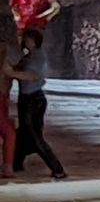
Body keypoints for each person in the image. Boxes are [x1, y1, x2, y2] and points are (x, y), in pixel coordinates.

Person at [12, 30, 63, 180]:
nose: (26, 42)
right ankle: (16, 164)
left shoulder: (38, 57)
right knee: (22, 133)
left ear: (35, 41)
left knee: (34, 136)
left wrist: (10, 73)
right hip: (26, 99)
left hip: (33, 100)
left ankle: (57, 168)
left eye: (28, 39)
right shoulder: (28, 56)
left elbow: (32, 75)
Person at [0, 46, 37, 179]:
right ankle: (8, 168)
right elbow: (12, 73)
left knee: (9, 133)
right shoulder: (5, 66)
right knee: (9, 133)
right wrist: (32, 75)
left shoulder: (6, 64)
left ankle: (8, 167)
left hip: (2, 104)